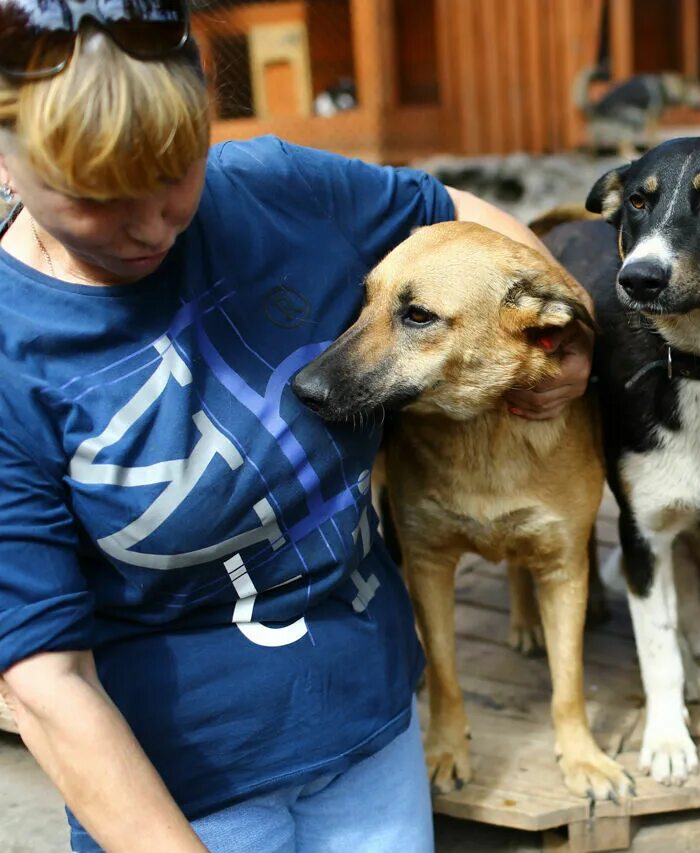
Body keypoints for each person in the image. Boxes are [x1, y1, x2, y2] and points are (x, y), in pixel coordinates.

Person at [0, 2, 593, 850]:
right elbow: (45, 685)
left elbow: (447, 208)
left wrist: (565, 345)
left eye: (176, 171)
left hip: (375, 732)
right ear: (6, 161)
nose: (152, 222)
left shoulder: (275, 188)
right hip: (187, 793)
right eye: (97, 196)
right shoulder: (11, 353)